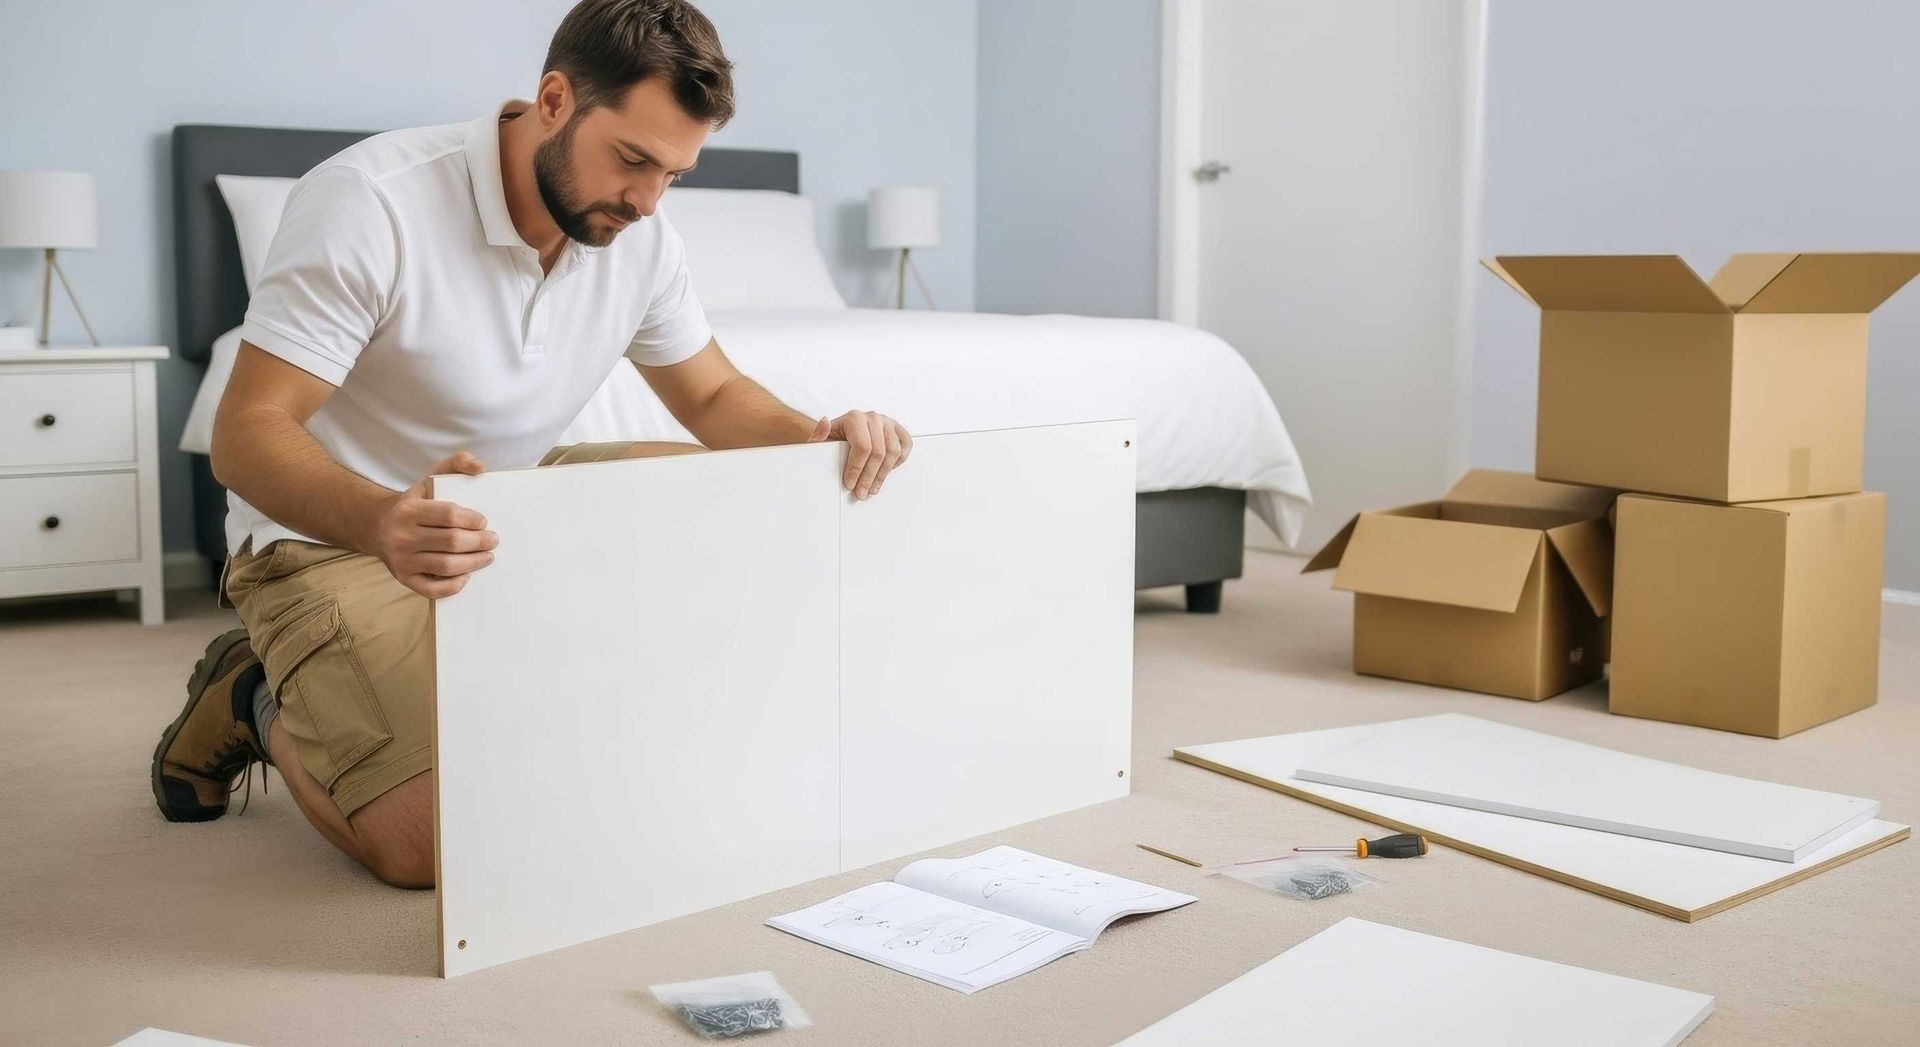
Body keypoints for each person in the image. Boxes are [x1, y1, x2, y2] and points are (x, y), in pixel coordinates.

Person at [150, 0, 911, 888]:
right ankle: (251, 689)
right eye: (633, 160)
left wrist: (822, 436)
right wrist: (382, 519)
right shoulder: (370, 202)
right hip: (333, 535)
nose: (647, 201)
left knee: (754, 487)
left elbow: (711, 394)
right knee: (431, 845)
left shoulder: (642, 233)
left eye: (674, 173)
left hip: (513, 499)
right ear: (554, 99)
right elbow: (247, 435)